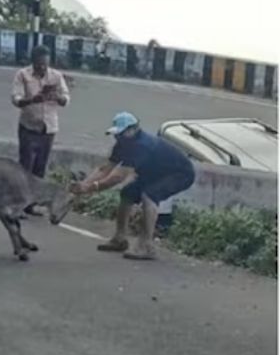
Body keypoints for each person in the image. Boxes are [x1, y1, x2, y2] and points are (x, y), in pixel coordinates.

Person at [70, 112, 195, 260]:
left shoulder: (141, 145)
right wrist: (84, 184)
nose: (117, 137)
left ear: (133, 130)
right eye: (116, 134)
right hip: (154, 172)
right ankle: (120, 238)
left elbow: (117, 177)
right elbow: (105, 169)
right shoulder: (123, 143)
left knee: (149, 196)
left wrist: (91, 188)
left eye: (121, 134)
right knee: (127, 193)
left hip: (180, 174)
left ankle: (146, 246)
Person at [11, 45, 70, 215]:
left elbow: (66, 98)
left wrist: (57, 97)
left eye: (45, 64)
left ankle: (31, 204)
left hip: (49, 127)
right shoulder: (22, 75)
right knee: (25, 167)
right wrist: (32, 99)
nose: (42, 68)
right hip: (29, 126)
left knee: (40, 167)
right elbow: (16, 99)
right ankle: (18, 204)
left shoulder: (56, 76)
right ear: (33, 62)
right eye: (39, 65)